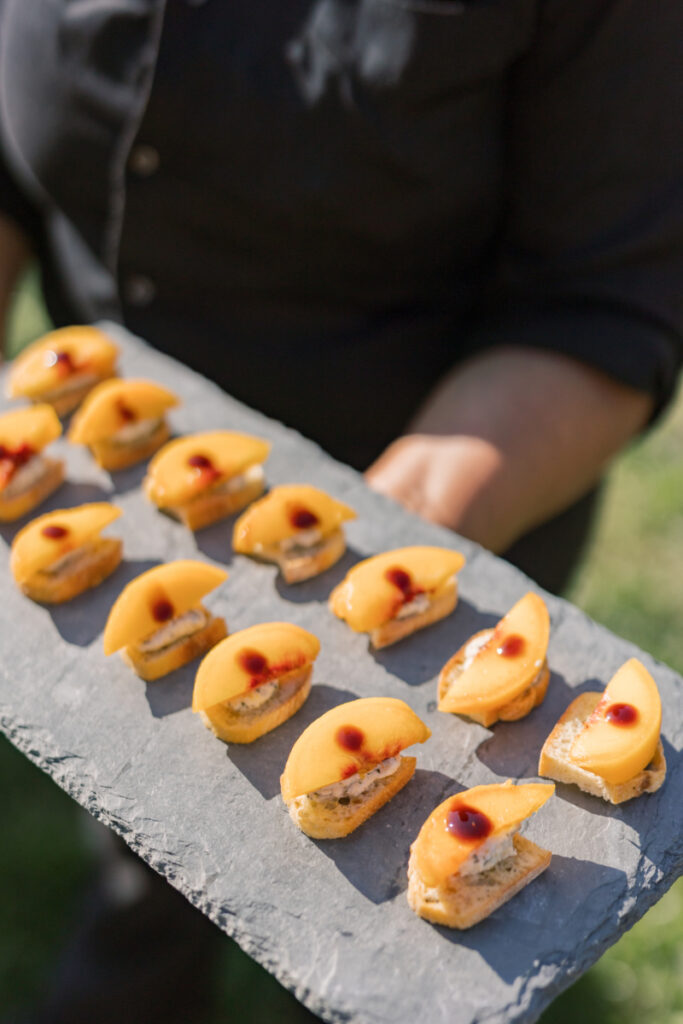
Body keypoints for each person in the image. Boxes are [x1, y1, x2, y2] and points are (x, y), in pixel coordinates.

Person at [0, 1, 681, 1020]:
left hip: (446, 491)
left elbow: (603, 298)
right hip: (118, 458)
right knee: (160, 834)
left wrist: (382, 552)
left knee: (368, 961)